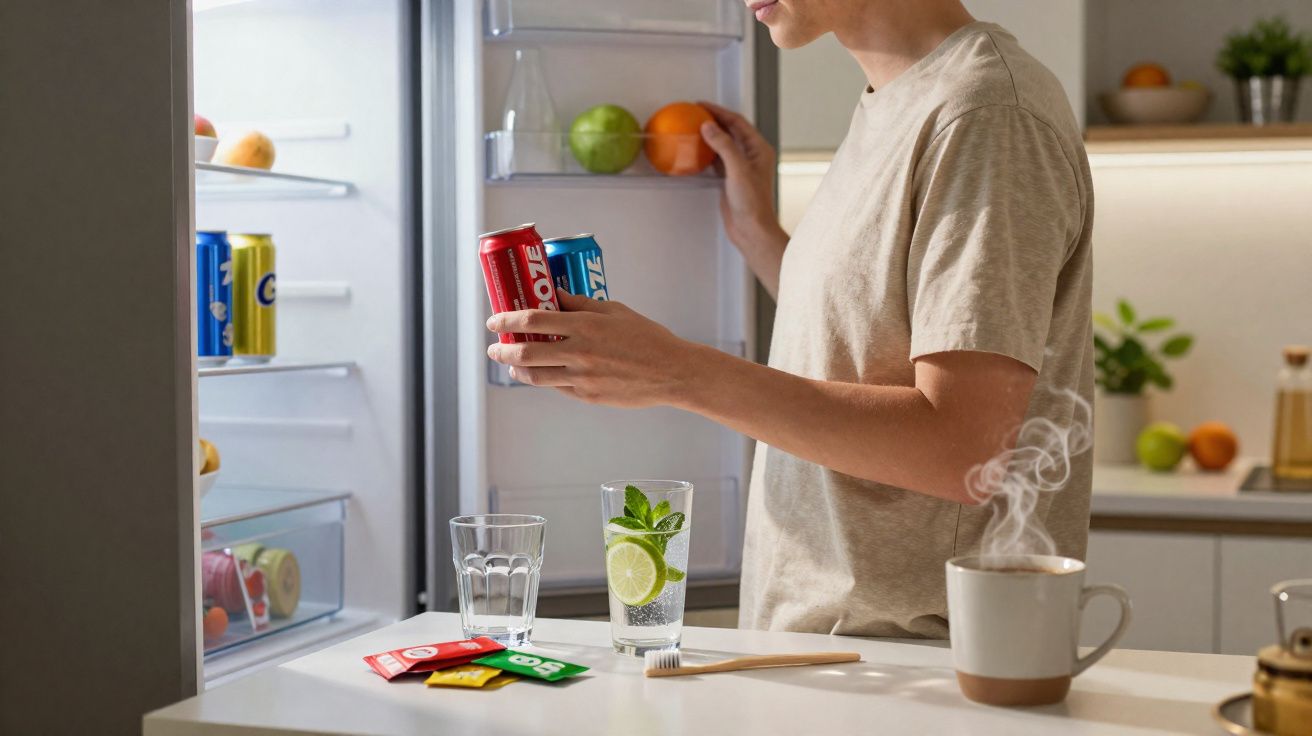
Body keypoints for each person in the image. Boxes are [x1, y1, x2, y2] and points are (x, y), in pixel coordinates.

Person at [487, 0, 1094, 638]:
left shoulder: (987, 115)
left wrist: (676, 373)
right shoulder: (898, 100)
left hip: (915, 656)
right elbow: (868, 334)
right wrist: (756, 233)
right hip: (836, 650)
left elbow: (965, 451)